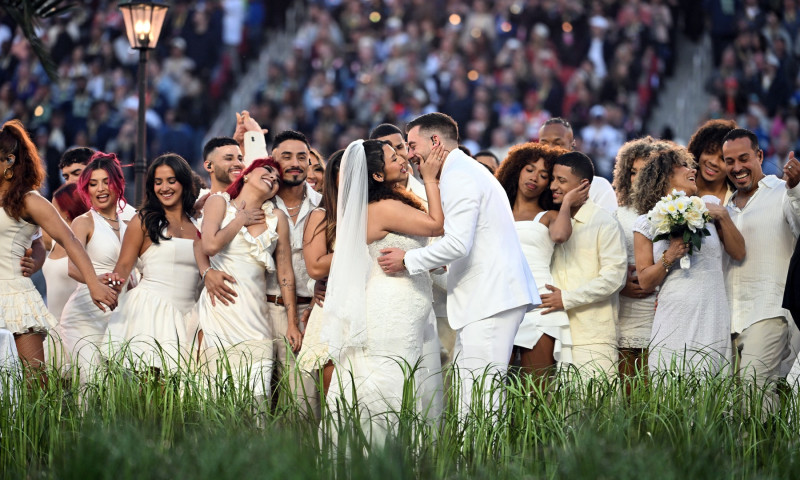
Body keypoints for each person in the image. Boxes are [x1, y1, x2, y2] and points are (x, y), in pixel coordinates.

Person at [378, 113, 539, 419]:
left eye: (412, 145)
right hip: (485, 297)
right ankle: (474, 463)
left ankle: (485, 465)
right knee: (472, 393)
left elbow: (457, 244)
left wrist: (408, 260)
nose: (409, 154)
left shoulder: (458, 176)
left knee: (481, 398)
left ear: (435, 141)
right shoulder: (463, 172)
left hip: (490, 298)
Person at [323, 138, 445, 445]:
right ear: (377, 175)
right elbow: (436, 226)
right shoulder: (383, 207)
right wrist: (429, 178)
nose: (402, 160)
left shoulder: (382, 204)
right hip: (392, 306)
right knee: (387, 388)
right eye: (393, 158)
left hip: (399, 303)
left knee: (397, 384)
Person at [0, 122, 115, 375]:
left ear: (8, 161)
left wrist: (93, 283)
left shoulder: (29, 201)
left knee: (34, 386)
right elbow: (37, 245)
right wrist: (37, 258)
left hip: (14, 296)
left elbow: (69, 240)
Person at [632, 145, 744, 375]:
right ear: (664, 177)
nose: (692, 169)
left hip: (712, 311)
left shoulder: (709, 207)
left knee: (712, 387)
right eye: (682, 166)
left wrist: (722, 215)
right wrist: (669, 255)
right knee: (672, 383)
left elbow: (739, 252)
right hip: (675, 312)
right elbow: (645, 281)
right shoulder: (646, 222)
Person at [198, 157, 298, 404]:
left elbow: (285, 272)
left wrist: (292, 322)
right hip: (219, 315)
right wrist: (240, 220)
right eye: (267, 171)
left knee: (257, 407)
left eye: (277, 179)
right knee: (214, 405)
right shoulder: (219, 202)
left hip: (256, 322)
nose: (273, 178)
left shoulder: (277, 219)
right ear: (245, 175)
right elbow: (208, 245)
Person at [243, 127, 323, 416]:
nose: (295, 163)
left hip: (308, 315)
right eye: (286, 156)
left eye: (302, 157)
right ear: (272, 160)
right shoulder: (256, 202)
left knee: (302, 406)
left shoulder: (325, 203)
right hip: (259, 312)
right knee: (257, 403)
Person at [722, 128, 800, 416]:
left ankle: (763, 458)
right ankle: (741, 461)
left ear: (760, 156)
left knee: (755, 391)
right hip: (728, 317)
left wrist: (797, 187)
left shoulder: (782, 192)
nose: (737, 168)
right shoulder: (724, 208)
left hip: (769, 310)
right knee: (731, 404)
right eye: (729, 162)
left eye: (744, 158)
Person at [495, 142, 583, 385]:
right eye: (529, 169)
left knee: (538, 390)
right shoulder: (496, 212)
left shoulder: (549, 216)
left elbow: (560, 236)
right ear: (516, 170)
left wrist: (565, 203)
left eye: (544, 175)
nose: (534, 178)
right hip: (500, 303)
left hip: (539, 305)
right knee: (495, 389)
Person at [105, 154, 200, 372]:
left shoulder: (198, 223)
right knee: (151, 390)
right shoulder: (144, 221)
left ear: (184, 183)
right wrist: (100, 289)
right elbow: (121, 270)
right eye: (158, 182)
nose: (164, 187)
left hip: (189, 314)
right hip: (152, 312)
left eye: (171, 180)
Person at [542, 152, 627, 376]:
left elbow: (614, 278)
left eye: (561, 180)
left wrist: (566, 299)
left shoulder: (604, 223)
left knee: (597, 408)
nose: (553, 186)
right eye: (552, 179)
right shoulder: (551, 221)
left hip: (593, 337)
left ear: (583, 185)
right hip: (555, 332)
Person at [56, 153, 130, 379]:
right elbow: (72, 267)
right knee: (90, 383)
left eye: (106, 182)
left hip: (122, 312)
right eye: (93, 184)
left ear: (118, 184)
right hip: (86, 313)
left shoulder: (133, 220)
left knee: (119, 389)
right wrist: (96, 281)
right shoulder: (84, 222)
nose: (100, 189)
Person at [611, 137, 660, 381]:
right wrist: (621, 285)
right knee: (628, 388)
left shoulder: (672, 209)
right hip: (627, 307)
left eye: (645, 171)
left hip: (661, 307)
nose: (638, 178)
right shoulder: (616, 214)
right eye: (632, 172)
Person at [299, 150, 343, 396]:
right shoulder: (321, 215)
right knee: (335, 402)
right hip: (332, 307)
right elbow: (315, 266)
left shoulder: (376, 213)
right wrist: (356, 251)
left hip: (370, 305)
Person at [538, 117, 618, 213]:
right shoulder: (533, 184)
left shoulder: (598, 186)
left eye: (558, 143)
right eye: (544, 144)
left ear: (572, 145)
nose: (550, 149)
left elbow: (609, 225)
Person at [42, 183, 88, 322]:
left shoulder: (88, 239)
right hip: (53, 325)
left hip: (80, 324)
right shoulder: (53, 239)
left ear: (67, 212)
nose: (48, 213)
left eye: (54, 208)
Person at [687, 119, 737, 203]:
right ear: (699, 151)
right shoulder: (678, 188)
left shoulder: (739, 201)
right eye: (709, 152)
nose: (714, 162)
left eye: (723, 159)